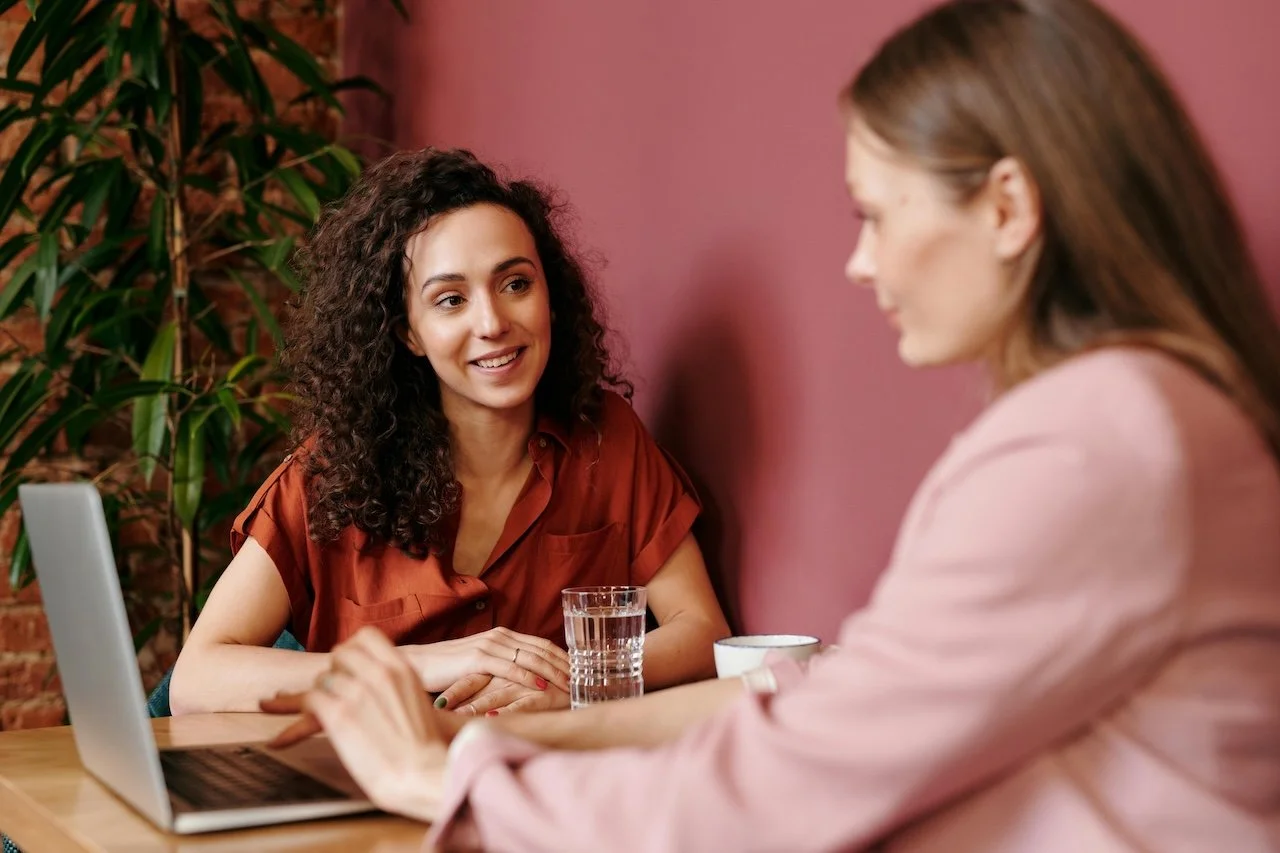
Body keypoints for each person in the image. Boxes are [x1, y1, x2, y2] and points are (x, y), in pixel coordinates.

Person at [261, 1, 1280, 849]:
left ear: (1007, 207)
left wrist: (451, 782)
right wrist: (539, 738)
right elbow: (822, 708)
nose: (861, 263)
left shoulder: (1091, 447)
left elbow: (789, 782)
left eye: (875, 214)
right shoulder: (1148, 417)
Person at [169, 149, 731, 716]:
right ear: (408, 333)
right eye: (451, 299)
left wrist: (567, 683)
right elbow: (197, 679)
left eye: (515, 284)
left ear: (550, 299)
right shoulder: (331, 473)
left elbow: (703, 630)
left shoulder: (606, 439)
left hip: (532, 785)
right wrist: (431, 661)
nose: (491, 323)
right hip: (366, 791)